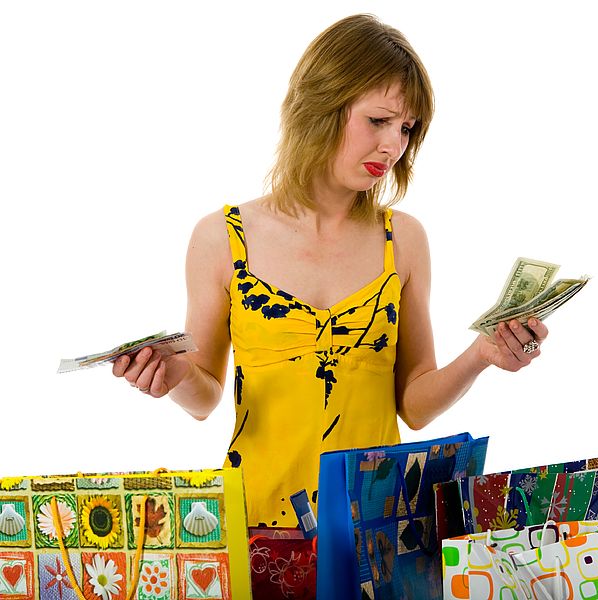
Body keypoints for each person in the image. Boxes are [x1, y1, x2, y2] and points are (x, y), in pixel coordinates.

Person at [111, 14, 548, 527]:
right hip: (256, 523)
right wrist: (173, 374)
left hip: (377, 530)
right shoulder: (223, 237)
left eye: (407, 128)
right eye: (379, 120)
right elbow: (205, 396)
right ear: (321, 105)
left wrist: (481, 355)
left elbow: (415, 404)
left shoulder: (403, 240)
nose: (393, 146)